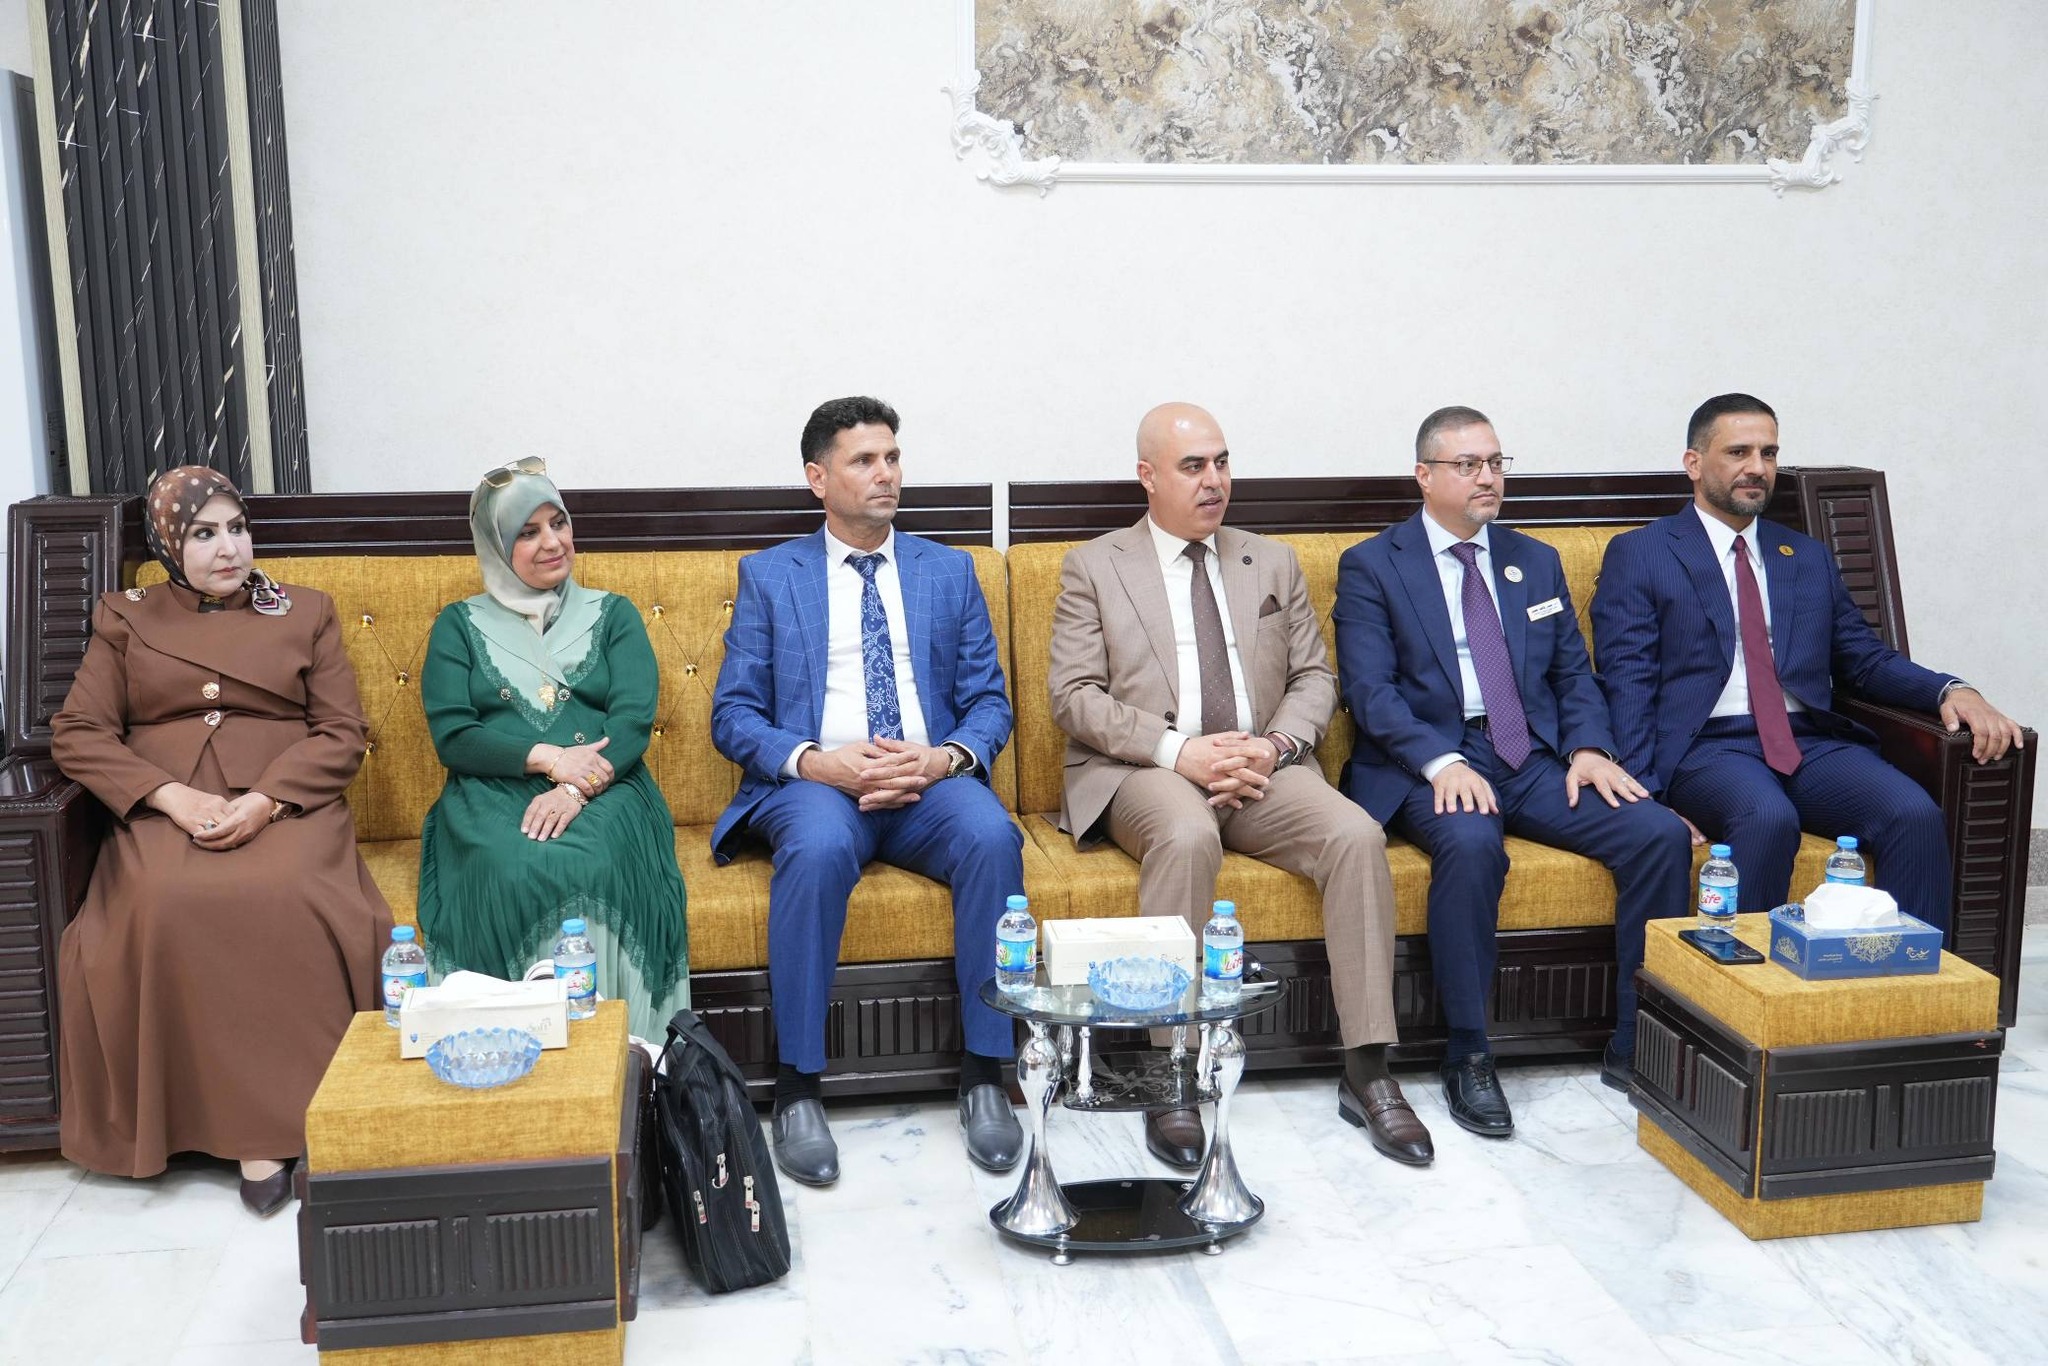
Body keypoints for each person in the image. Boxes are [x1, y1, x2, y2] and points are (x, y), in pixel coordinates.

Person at [1049, 402, 1433, 1168]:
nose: (1215, 480)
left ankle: (1368, 1069)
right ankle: (1173, 1069)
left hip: (1262, 765)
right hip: (1145, 769)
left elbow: (1314, 676)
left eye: (1222, 463)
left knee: (1356, 835)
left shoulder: (1271, 561)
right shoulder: (1096, 565)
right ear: (1148, 476)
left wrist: (1274, 744)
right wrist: (1181, 752)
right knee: (1187, 833)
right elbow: (1075, 697)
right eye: (1194, 466)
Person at [50, 466, 391, 1215]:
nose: (228, 548)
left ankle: (296, 1121)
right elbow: (78, 732)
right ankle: (219, 1128)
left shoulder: (307, 611)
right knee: (166, 899)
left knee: (287, 890)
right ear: (169, 545)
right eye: (204, 534)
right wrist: (168, 796)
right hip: (164, 805)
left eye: (237, 528)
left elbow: (342, 732)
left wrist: (267, 800)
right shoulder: (126, 616)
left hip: (286, 798)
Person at [1334, 408, 1692, 1117]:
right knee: (1472, 844)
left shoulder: (1535, 559)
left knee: (1655, 833)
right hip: (1428, 760)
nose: (1488, 478)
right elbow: (1370, 692)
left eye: (1496, 463)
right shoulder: (1374, 564)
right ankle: (1467, 1052)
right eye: (1469, 465)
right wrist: (1439, 762)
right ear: (1424, 475)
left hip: (1529, 754)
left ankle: (1638, 1041)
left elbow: (1573, 675)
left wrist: (1588, 748)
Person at [710, 396, 1025, 1186]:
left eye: (892, 458)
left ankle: (987, 1076)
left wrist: (943, 758)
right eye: (863, 461)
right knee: (817, 849)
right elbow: (734, 715)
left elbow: (990, 703)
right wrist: (818, 762)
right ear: (818, 478)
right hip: (821, 783)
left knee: (993, 836)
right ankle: (798, 1088)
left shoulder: (948, 572)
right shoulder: (770, 577)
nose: (886, 474)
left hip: (926, 780)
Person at [1591, 393, 2023, 933]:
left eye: (1769, 453)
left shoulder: (1805, 555)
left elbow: (1863, 659)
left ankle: (1907, 979)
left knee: (1912, 814)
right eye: (1739, 452)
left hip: (1807, 743)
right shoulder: (1643, 552)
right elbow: (1628, 679)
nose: (1757, 467)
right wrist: (1646, 797)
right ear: (1694, 463)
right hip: (1707, 747)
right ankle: (1738, 980)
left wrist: (1951, 690)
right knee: (1768, 817)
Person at [417, 459, 690, 1042]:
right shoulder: (458, 626)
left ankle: (620, 1053)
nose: (552, 542)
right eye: (528, 531)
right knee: (508, 866)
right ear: (496, 547)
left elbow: (632, 722)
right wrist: (549, 759)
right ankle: (512, 1050)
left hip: (610, 784)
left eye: (558, 523)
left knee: (596, 860)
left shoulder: (614, 615)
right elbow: (453, 736)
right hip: (491, 789)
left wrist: (575, 786)